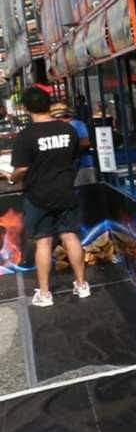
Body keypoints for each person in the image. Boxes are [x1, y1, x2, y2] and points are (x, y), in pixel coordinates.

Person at [2, 87, 90, 307]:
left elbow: (21, 169)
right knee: (71, 236)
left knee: (44, 241)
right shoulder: (68, 130)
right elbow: (72, 157)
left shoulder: (26, 136)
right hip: (66, 191)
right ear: (49, 104)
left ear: (27, 108)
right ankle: (81, 285)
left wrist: (12, 177)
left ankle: (45, 293)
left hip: (38, 195)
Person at [50, 102, 96, 186]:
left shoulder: (76, 124)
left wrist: (70, 154)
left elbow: (85, 143)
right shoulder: (63, 126)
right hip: (72, 168)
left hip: (83, 166)